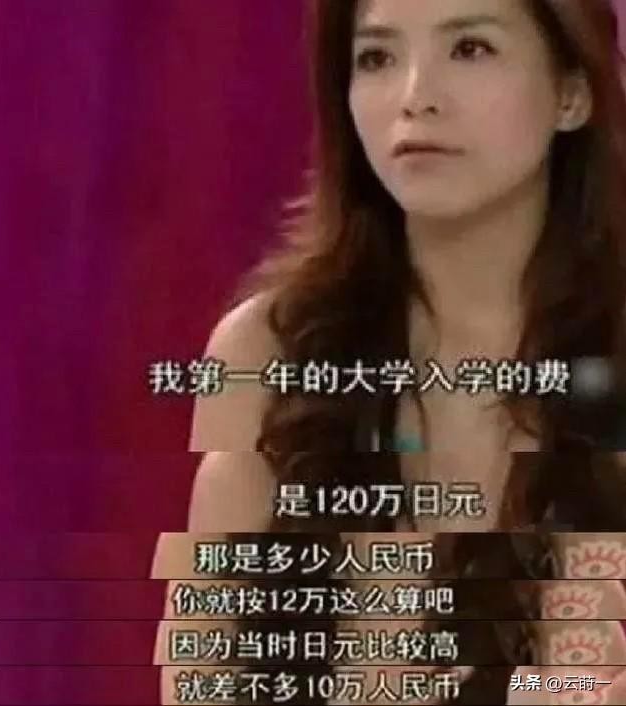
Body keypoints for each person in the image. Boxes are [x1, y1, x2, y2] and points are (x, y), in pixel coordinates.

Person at [154, 0, 626, 703]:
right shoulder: (267, 351)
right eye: (376, 57)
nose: (415, 97)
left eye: (469, 49)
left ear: (571, 92)